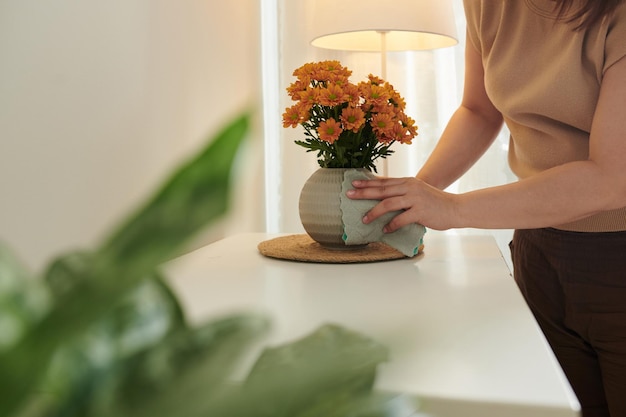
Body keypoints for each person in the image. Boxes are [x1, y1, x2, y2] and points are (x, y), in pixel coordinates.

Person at [346, 1, 626, 416]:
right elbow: (479, 110)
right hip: (539, 246)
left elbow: (612, 178)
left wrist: (453, 209)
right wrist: (413, 197)